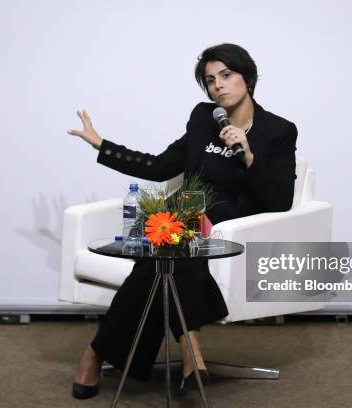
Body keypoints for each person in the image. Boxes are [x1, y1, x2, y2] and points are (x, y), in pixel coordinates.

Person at [66, 43, 298, 399]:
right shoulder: (204, 118)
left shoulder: (278, 131)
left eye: (226, 75)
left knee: (162, 260)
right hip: (184, 221)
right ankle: (192, 356)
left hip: (231, 231)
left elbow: (280, 200)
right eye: (209, 80)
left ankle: (95, 354)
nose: (218, 86)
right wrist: (101, 144)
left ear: (247, 79)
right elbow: (160, 166)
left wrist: (248, 155)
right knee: (171, 252)